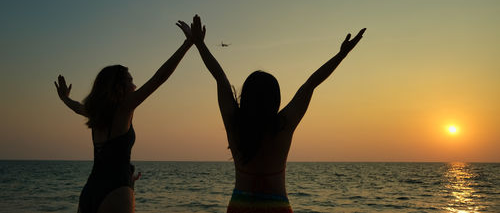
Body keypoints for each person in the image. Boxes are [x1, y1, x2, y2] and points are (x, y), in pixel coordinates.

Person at [181, 15, 365, 213]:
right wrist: (341, 55)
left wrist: (199, 44)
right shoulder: (283, 125)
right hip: (277, 207)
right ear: (275, 100)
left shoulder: (235, 124)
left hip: (239, 206)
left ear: (246, 98)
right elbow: (310, 84)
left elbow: (220, 77)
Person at [54, 23, 193, 213]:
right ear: (119, 87)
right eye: (130, 81)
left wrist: (64, 98)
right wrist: (188, 43)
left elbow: (76, 107)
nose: (135, 86)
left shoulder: (95, 111)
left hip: (90, 191)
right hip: (116, 191)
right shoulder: (124, 108)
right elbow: (159, 78)